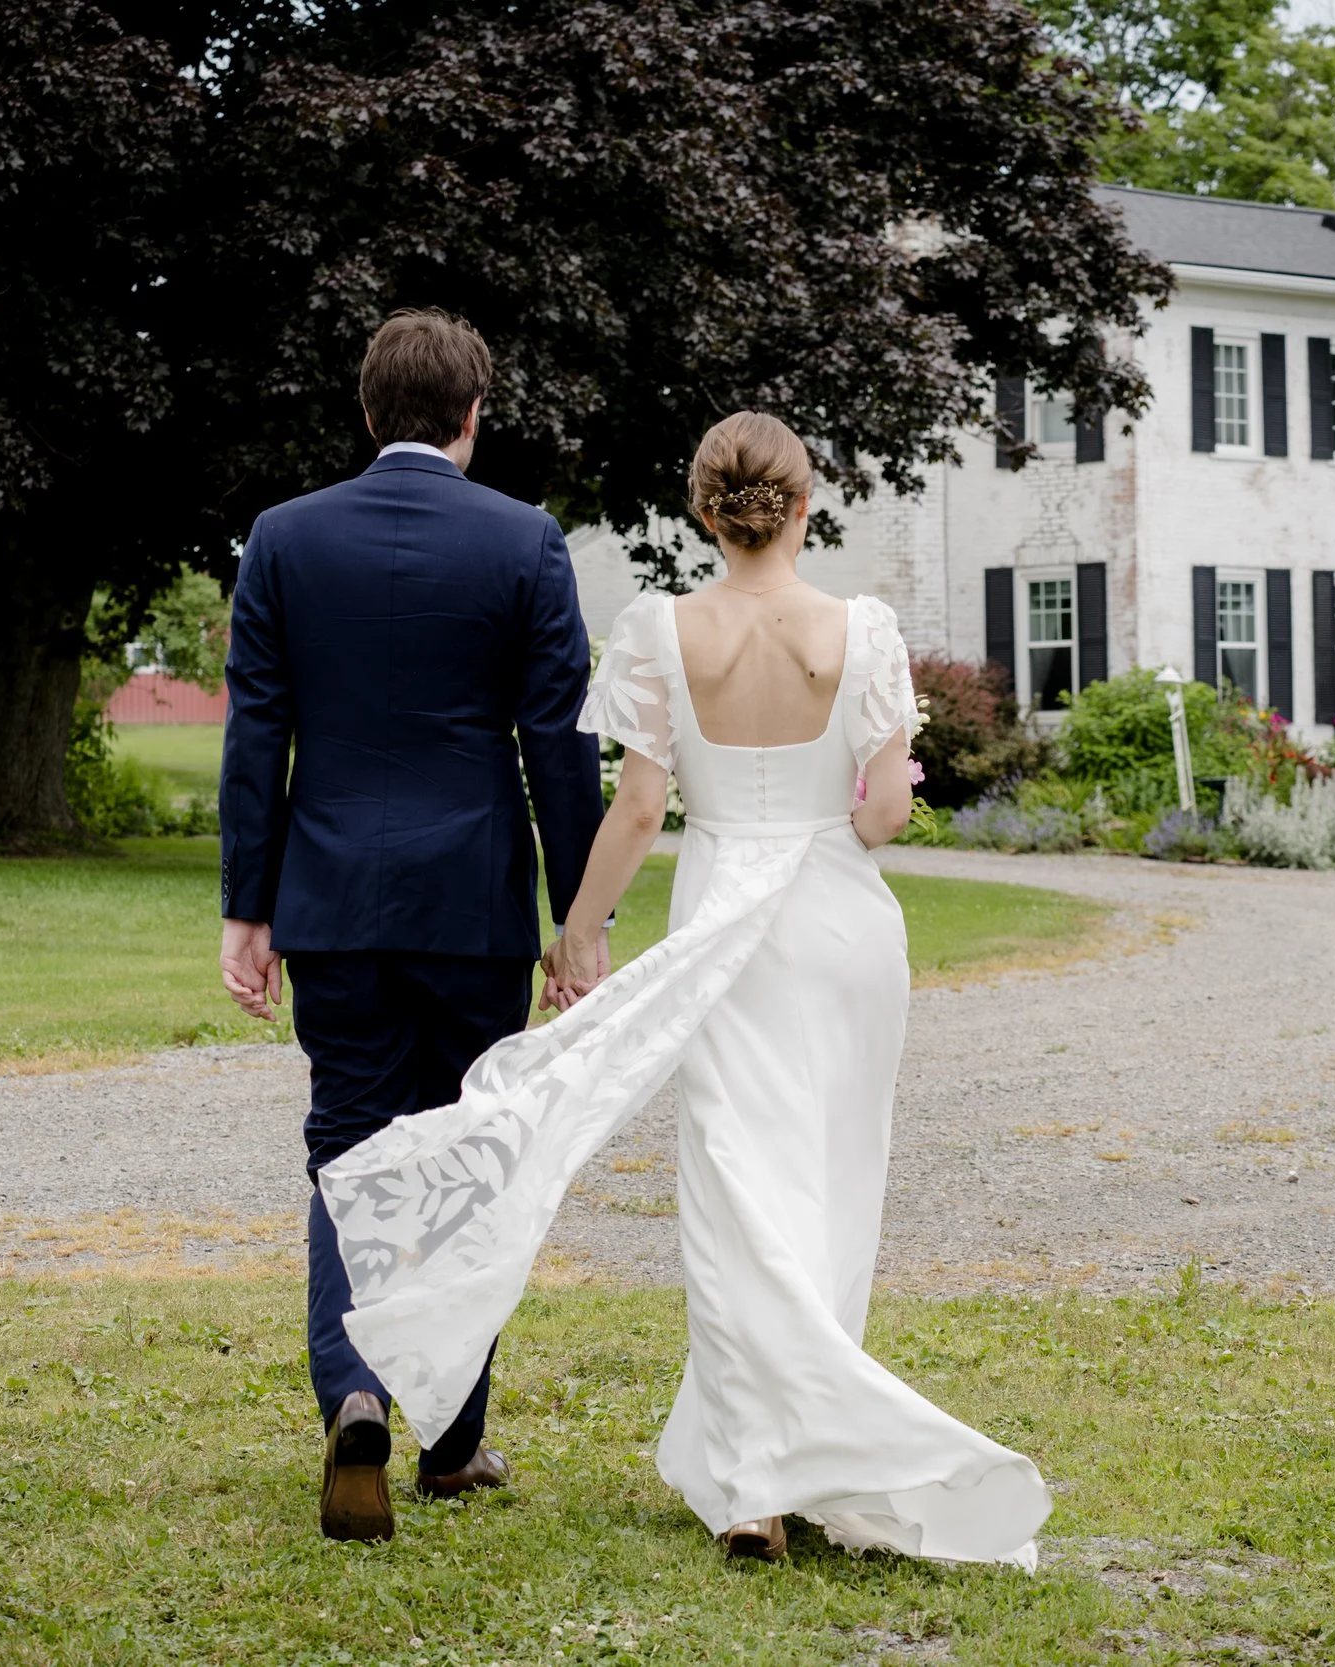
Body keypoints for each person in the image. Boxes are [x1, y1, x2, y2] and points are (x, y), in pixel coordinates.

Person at [315, 411, 1051, 1568]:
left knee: (729, 1183)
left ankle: (754, 1484)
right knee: (826, 1178)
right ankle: (790, 1454)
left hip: (723, 917)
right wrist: (834, 818)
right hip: (839, 919)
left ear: (706, 512)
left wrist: (583, 930)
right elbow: (885, 811)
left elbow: (644, 805)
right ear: (805, 505)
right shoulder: (862, 629)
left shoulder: (661, 628)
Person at [217, 309, 607, 1543]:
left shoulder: (284, 539)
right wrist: (575, 917)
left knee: (347, 1145)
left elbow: (254, 734)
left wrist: (247, 905)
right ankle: (452, 1441)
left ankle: (353, 1389)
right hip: (472, 904)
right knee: (462, 1159)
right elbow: (559, 743)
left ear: (367, 411)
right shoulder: (526, 541)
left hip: (331, 896)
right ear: (473, 415)